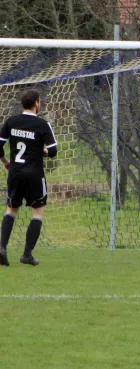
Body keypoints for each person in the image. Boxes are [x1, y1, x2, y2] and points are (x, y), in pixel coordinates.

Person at [0, 89, 58, 267]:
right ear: (36, 104)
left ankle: (2, 248)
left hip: (15, 173)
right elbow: (53, 152)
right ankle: (26, 254)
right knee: (38, 213)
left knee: (11, 210)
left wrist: (5, 161)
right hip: (34, 174)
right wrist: (43, 151)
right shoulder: (42, 124)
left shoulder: (11, 121)